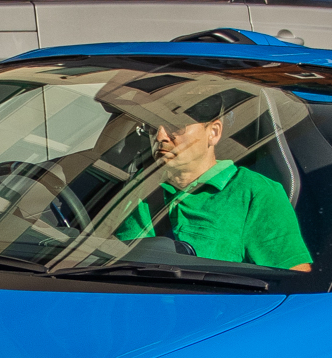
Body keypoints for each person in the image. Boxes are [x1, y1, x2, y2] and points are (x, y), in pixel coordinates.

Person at [108, 84, 312, 270]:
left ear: (213, 132)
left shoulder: (254, 192)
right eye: (152, 127)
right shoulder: (137, 185)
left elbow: (293, 279)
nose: (160, 137)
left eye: (174, 127)